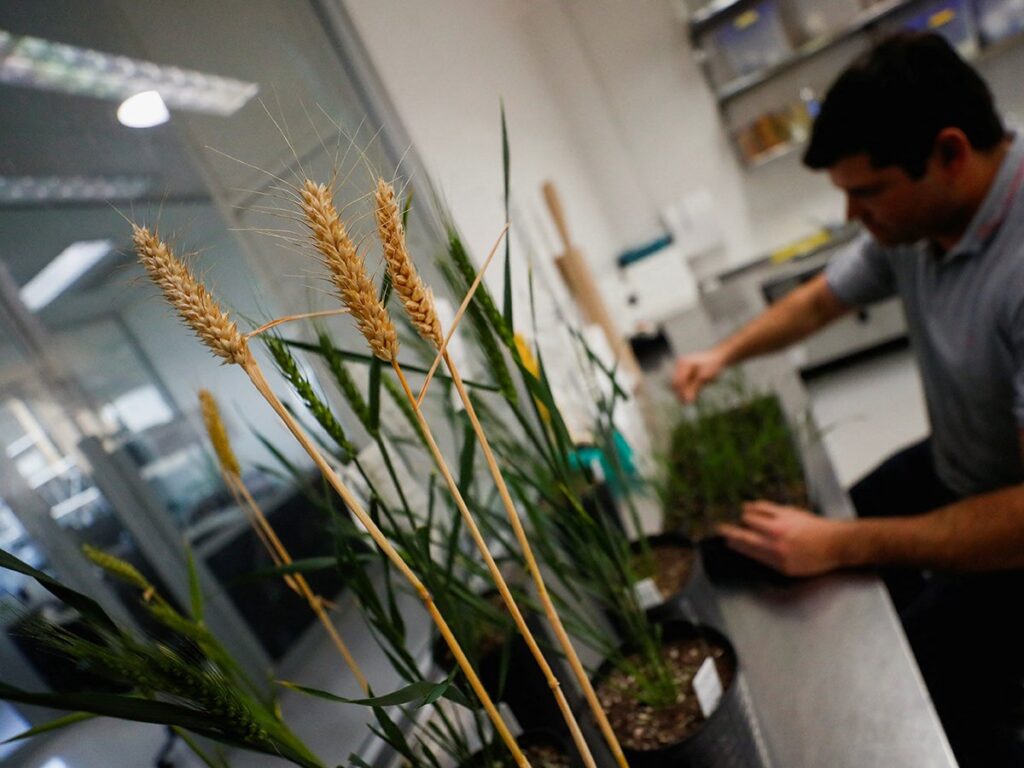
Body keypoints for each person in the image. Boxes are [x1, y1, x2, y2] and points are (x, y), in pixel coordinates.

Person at [672, 32, 1024, 767]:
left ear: (952, 153)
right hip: (963, 461)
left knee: (922, 668)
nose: (853, 215)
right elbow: (818, 301)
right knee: (808, 543)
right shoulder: (916, 224)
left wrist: (846, 545)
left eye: (867, 192)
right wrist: (721, 353)